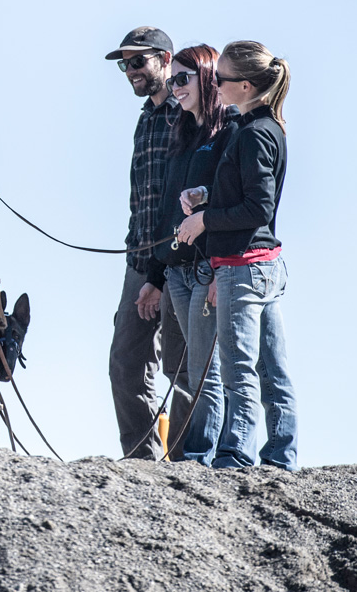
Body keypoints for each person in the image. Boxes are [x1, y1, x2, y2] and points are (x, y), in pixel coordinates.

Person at [176, 40, 298, 471]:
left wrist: (204, 221)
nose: (215, 84)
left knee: (239, 371)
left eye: (221, 78)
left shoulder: (252, 134)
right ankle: (282, 455)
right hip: (265, 265)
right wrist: (207, 194)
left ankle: (235, 456)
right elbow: (251, 195)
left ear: (245, 86)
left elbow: (257, 208)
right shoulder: (265, 129)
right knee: (272, 369)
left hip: (243, 270)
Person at [138, 44, 237, 465]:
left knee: (206, 372)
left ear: (207, 77)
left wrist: (220, 270)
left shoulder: (229, 130)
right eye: (173, 79)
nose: (175, 87)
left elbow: (236, 201)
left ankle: (200, 455)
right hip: (176, 271)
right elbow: (165, 212)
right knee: (192, 370)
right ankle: (193, 454)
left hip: (208, 268)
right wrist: (155, 276)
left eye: (183, 78)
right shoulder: (183, 133)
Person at [105, 27, 191, 460]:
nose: (130, 71)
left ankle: (186, 461)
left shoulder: (188, 116)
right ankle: (142, 463)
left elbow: (181, 201)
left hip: (178, 264)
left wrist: (159, 273)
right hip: (138, 260)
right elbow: (144, 198)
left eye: (138, 61)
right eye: (125, 64)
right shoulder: (146, 118)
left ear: (165, 59)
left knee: (184, 368)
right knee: (125, 364)